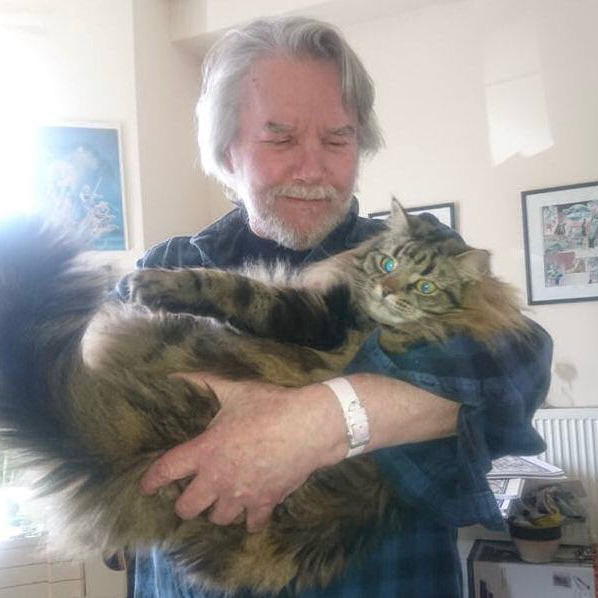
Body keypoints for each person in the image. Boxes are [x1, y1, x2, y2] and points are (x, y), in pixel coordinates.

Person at [125, 16, 553, 598]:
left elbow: (518, 362)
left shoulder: (410, 253)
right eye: (280, 139)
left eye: (337, 139)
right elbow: (91, 388)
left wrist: (319, 422)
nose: (312, 169)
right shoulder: (167, 267)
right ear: (226, 152)